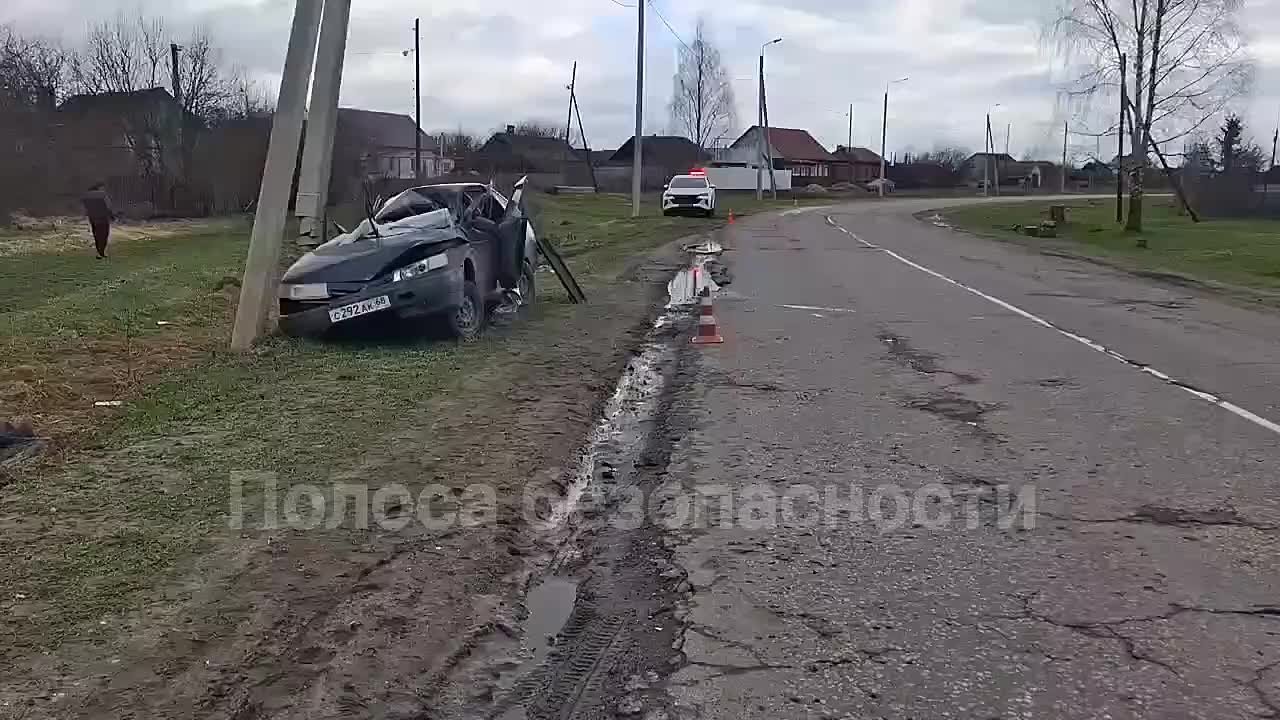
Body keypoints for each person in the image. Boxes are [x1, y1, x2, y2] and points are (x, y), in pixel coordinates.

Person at [81, 183, 115, 258]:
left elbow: (85, 207)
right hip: (103, 217)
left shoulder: (85, 195)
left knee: (96, 235)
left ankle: (99, 251)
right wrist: (112, 216)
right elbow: (108, 206)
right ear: (99, 188)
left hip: (93, 217)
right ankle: (102, 251)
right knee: (104, 235)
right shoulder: (102, 194)